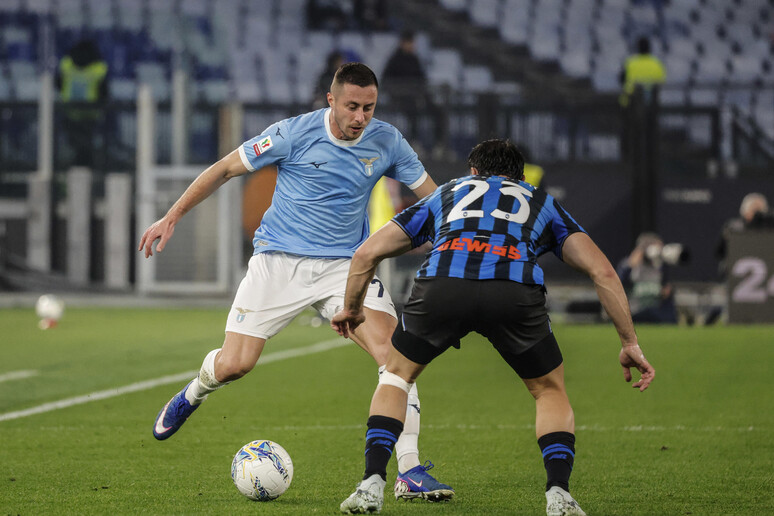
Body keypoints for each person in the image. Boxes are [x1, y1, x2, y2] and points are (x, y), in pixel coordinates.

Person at [138, 62, 453, 501]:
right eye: (352, 106)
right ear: (331, 100)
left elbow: (436, 199)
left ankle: (410, 470)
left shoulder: (388, 141)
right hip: (277, 264)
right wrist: (171, 216)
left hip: (345, 268)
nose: (360, 117)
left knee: (396, 358)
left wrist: (464, 236)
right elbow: (225, 169)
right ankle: (195, 391)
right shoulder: (292, 133)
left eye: (369, 107)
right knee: (235, 365)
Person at [331, 139, 655, 515]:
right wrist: (629, 341)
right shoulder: (540, 201)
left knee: (397, 376)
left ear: (473, 172)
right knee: (549, 390)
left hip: (443, 287)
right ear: (521, 176)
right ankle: (559, 495)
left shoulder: (447, 193)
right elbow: (603, 272)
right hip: (513, 292)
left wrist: (352, 308)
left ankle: (371, 484)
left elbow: (366, 253)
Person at [382, 30, 446, 158]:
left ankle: (439, 145)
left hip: (417, 96)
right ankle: (414, 142)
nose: (412, 45)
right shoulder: (394, 60)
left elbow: (421, 79)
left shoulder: (414, 59)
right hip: (401, 98)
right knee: (413, 111)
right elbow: (386, 81)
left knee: (438, 111)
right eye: (409, 42)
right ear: (403, 43)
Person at [56, 38, 109, 168]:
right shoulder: (99, 68)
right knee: (86, 146)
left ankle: (76, 168)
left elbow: (58, 84)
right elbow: (104, 92)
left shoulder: (66, 64)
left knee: (74, 146)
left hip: (70, 113)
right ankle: (86, 168)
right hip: (90, 115)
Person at [617, 232, 678, 324]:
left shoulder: (660, 266)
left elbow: (666, 289)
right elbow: (619, 286)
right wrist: (630, 266)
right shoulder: (628, 265)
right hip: (634, 311)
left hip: (655, 311)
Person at [619, 36, 666, 107]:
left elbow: (622, 80)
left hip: (630, 102)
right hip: (651, 103)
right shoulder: (657, 63)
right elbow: (662, 81)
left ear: (638, 48)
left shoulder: (630, 62)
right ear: (649, 48)